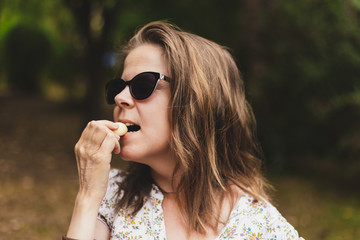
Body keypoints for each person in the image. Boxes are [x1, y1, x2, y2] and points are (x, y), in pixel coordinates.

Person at [64, 21, 304, 240]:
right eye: (118, 87)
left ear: (197, 101)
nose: (120, 97)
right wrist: (87, 197)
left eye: (142, 85)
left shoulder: (262, 226)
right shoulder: (111, 193)